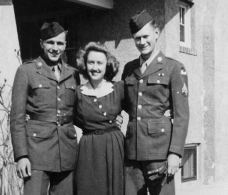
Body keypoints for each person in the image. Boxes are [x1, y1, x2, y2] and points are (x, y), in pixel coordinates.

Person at [122, 10, 189, 195]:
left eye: (145, 36)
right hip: (132, 153)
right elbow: (127, 104)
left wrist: (175, 153)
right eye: (137, 38)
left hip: (161, 153)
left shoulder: (173, 68)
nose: (142, 42)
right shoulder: (129, 69)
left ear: (157, 33)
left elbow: (182, 115)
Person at [10, 22, 80, 195]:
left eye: (60, 43)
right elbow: (17, 118)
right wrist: (21, 156)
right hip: (36, 153)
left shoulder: (73, 74)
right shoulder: (26, 71)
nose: (55, 48)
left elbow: (79, 113)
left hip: (66, 152)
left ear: (65, 45)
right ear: (42, 44)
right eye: (50, 42)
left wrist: (109, 117)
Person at [75, 42, 125, 195]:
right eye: (91, 62)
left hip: (114, 147)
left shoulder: (118, 88)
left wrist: (166, 113)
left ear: (107, 65)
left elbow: (138, 109)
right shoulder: (77, 92)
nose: (95, 68)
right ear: (85, 64)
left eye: (99, 63)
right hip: (88, 150)